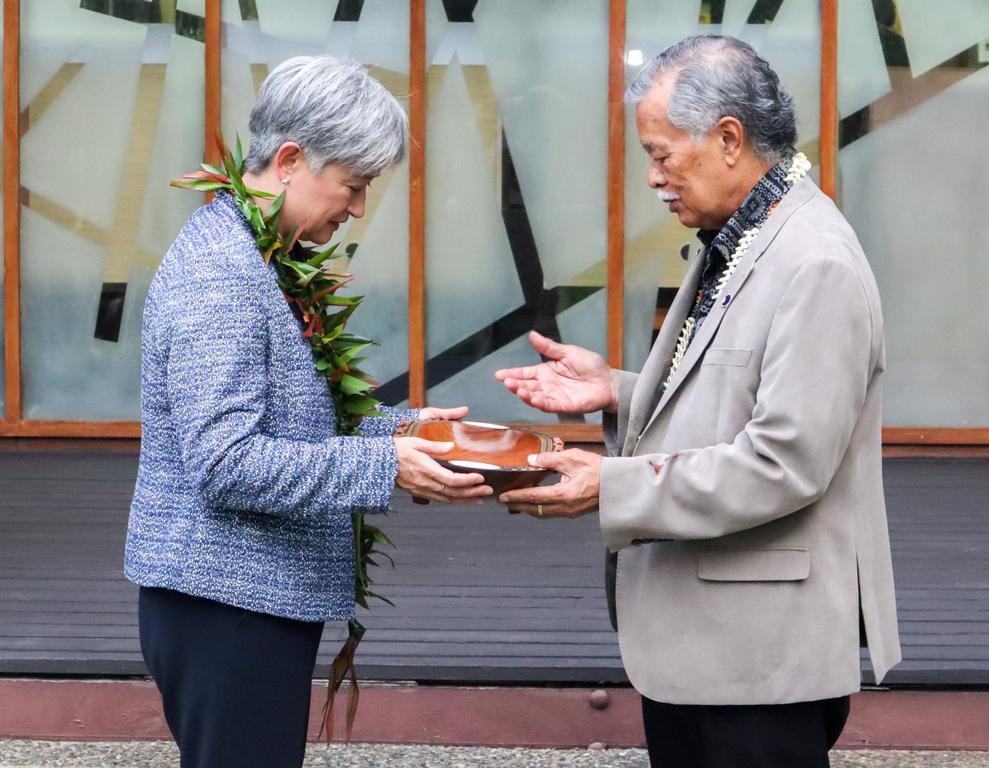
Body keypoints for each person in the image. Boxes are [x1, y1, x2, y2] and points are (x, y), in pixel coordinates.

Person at [495, 35, 900, 768]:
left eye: (661, 153)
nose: (653, 177)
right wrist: (617, 389)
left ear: (729, 139)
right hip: (712, 646)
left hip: (759, 659)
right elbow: (732, 389)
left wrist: (606, 484)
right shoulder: (748, 232)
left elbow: (783, 462)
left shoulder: (814, 262)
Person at [124, 56, 490, 768]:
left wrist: (410, 429)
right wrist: (389, 463)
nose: (357, 209)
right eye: (352, 186)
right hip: (223, 608)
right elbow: (228, 464)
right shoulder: (222, 273)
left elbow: (296, 428)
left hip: (241, 602)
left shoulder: (259, 253)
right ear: (290, 159)